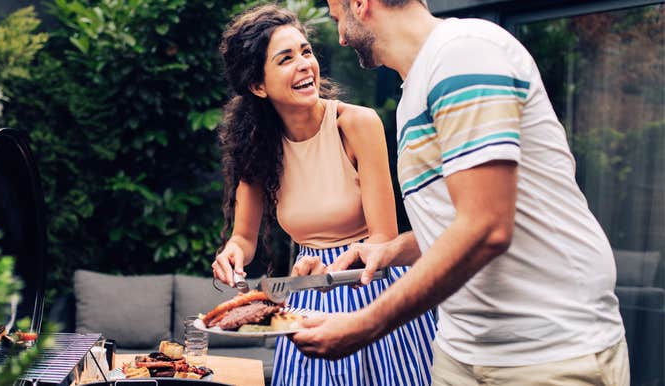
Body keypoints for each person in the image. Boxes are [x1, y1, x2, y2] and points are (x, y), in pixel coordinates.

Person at [290, 0, 631, 384]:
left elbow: (486, 228)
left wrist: (365, 324)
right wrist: (392, 251)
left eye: (338, 20)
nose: (341, 37)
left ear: (360, 4)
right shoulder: (415, 92)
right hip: (461, 351)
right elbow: (463, 221)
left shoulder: (463, 55)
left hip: (547, 353)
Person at [211, 4, 435, 386]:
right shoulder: (256, 144)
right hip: (308, 291)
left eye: (306, 52)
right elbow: (243, 238)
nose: (304, 65)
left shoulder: (357, 124)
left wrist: (332, 271)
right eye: (286, 59)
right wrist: (232, 254)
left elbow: (382, 239)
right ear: (258, 86)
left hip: (370, 284)